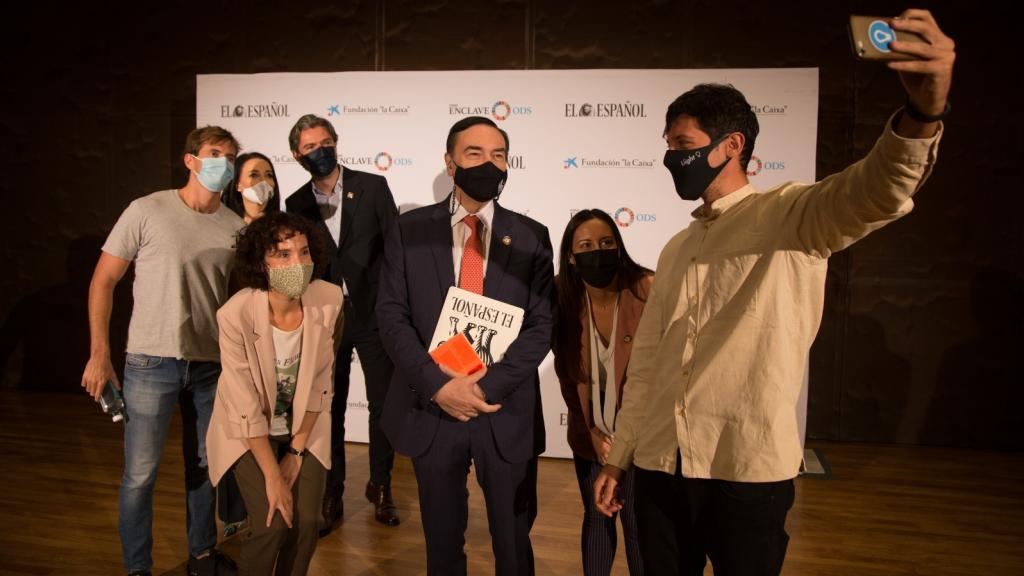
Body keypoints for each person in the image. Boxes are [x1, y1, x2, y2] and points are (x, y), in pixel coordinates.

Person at [594, 9, 954, 575]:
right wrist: (619, 460)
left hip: (747, 474)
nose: (671, 158)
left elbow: (878, 189)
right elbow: (648, 364)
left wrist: (923, 112)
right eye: (667, 145)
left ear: (731, 144)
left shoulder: (792, 215)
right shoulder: (675, 248)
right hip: (660, 468)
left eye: (682, 144)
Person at [378, 116, 553, 575]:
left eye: (498, 155)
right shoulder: (408, 229)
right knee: (442, 544)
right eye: (474, 153)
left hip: (503, 410)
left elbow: (541, 324)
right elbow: (391, 315)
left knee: (514, 544)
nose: (488, 164)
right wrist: (438, 385)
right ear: (450, 163)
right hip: (432, 410)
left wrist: (486, 387)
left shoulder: (532, 235)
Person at [80, 126, 244, 576]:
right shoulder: (147, 209)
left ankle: (202, 554)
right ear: (190, 160)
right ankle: (138, 569)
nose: (223, 164)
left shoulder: (234, 226)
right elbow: (103, 281)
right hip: (150, 362)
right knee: (140, 475)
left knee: (206, 468)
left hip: (210, 365)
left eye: (230, 157)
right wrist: (100, 353)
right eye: (214, 154)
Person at [206, 211, 342, 576]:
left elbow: (319, 385)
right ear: (260, 263)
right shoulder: (235, 315)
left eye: (303, 252)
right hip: (247, 431)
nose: (296, 262)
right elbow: (244, 406)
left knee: (307, 523)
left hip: (302, 428)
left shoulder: (329, 300)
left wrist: (296, 453)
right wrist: (273, 475)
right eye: (282, 254)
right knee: (272, 522)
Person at [284, 114, 400, 531]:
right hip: (324, 318)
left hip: (373, 315)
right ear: (298, 154)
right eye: (311, 146)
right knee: (329, 405)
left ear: (336, 142)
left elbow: (395, 250)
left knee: (383, 404)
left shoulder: (373, 186)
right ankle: (333, 491)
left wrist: (395, 308)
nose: (320, 150)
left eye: (326, 141)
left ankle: (381, 486)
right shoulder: (295, 203)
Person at [553, 209, 652, 576]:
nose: (599, 251)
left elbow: (657, 380)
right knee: (597, 517)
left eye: (607, 242)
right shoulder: (560, 299)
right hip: (591, 437)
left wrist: (623, 444)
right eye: (587, 245)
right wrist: (595, 438)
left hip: (641, 438)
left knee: (638, 526)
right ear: (571, 256)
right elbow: (567, 381)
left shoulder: (647, 290)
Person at [223, 151, 282, 223]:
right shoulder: (224, 223)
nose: (263, 181)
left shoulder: (285, 225)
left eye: (269, 175)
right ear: (237, 184)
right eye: (254, 175)